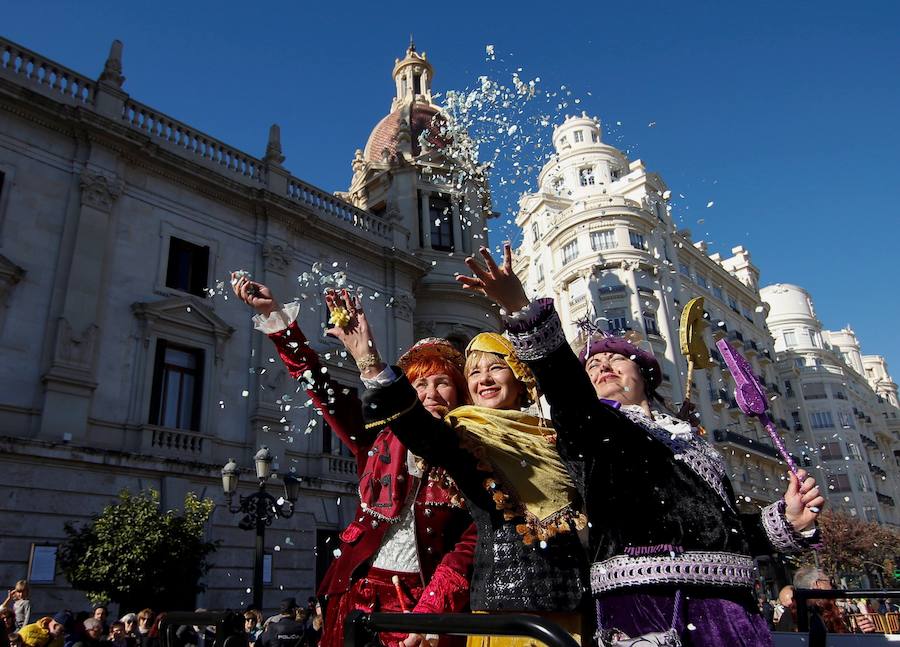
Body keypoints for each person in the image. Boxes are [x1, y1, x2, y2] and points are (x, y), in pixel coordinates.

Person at [458, 242, 825, 647]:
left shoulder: (692, 441)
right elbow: (567, 389)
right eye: (592, 365)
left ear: (645, 372)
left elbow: (723, 532)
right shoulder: (595, 429)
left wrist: (786, 520)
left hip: (734, 610)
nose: (601, 366)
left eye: (614, 358)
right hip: (650, 609)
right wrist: (522, 309)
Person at [325, 289, 589, 646]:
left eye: (496, 366)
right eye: (475, 371)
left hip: (563, 598)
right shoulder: (461, 434)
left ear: (520, 377)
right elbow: (413, 428)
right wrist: (367, 358)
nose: (485, 378)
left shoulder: (554, 434)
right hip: (487, 606)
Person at [232, 275, 477, 647]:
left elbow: (468, 545)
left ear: (458, 393)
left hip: (424, 604)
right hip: (355, 596)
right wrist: (278, 320)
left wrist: (433, 608)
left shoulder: (473, 452)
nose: (430, 393)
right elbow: (319, 386)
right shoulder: (378, 436)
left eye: (442, 383)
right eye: (420, 384)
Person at [792, 567, 874, 635]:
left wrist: (861, 632)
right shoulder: (815, 613)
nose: (832, 587)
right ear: (817, 584)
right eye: (829, 582)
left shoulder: (794, 612)